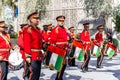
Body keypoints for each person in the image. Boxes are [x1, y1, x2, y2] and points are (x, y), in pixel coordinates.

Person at [23, 12, 43, 80]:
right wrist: (28, 56)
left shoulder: (39, 30)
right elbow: (27, 43)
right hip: (32, 55)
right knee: (33, 74)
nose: (37, 20)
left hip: (39, 55)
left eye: (38, 18)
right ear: (31, 20)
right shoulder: (28, 30)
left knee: (37, 74)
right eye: (35, 18)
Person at [49, 15, 69, 80]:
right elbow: (52, 41)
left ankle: (59, 77)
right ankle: (58, 78)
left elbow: (66, 39)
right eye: (60, 21)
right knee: (60, 65)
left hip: (65, 50)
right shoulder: (55, 30)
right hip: (59, 50)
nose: (61, 22)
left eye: (63, 21)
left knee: (64, 65)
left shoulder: (64, 29)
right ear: (57, 21)